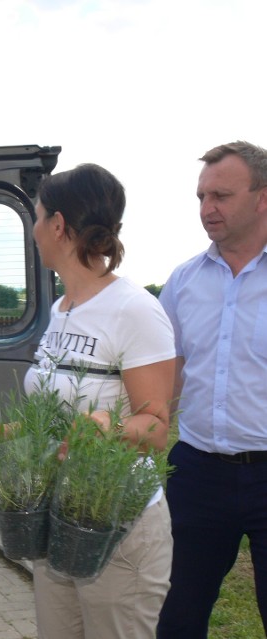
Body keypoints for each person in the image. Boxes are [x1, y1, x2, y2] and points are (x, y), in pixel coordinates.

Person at [0, 164, 175, 638]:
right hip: (59, 514)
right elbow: (53, 418)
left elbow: (158, 426)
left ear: (60, 226)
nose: (34, 228)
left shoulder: (135, 310)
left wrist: (108, 425)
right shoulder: (61, 309)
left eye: (38, 216)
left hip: (117, 524)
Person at [156, 141, 267, 638]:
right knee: (176, 614)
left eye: (220, 195)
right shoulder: (183, 282)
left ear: (262, 198)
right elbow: (168, 376)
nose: (207, 209)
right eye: (201, 197)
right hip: (197, 472)